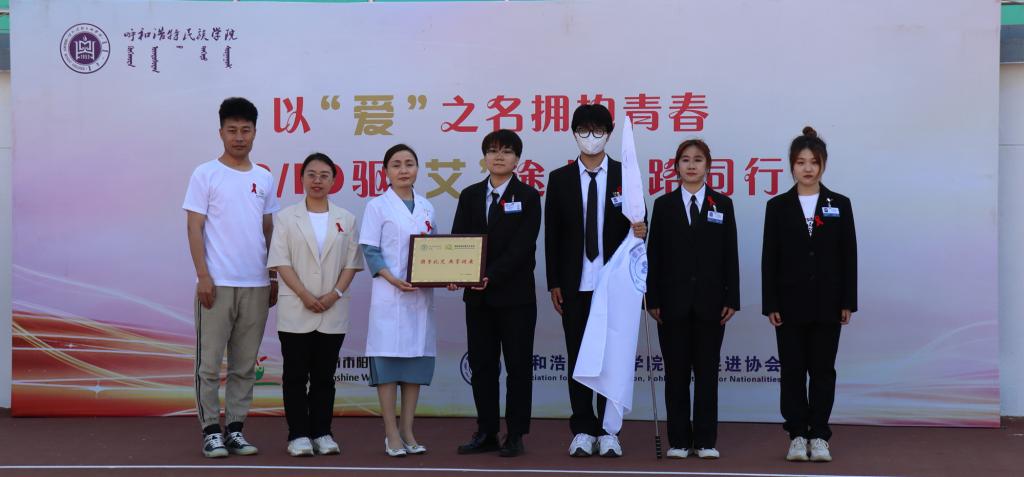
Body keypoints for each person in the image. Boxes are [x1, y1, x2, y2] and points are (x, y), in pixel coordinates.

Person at [544, 104, 646, 457]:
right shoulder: (559, 179)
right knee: (579, 357)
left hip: (613, 285)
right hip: (575, 284)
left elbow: (639, 226)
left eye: (598, 130)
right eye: (584, 130)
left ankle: (609, 430)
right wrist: (554, 282)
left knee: (610, 357)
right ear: (574, 134)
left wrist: (641, 230)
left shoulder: (624, 174)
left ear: (609, 133)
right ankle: (583, 429)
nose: (591, 137)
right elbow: (552, 235)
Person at [183, 97, 280, 458]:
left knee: (244, 365)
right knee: (209, 364)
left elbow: (269, 231)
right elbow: (194, 228)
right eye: (232, 130)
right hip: (218, 283)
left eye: (246, 130)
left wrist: (273, 277)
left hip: (256, 285)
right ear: (221, 132)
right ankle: (211, 430)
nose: (239, 137)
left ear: (255, 132)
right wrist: (203, 275)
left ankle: (236, 428)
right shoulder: (205, 173)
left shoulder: (263, 178)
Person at [761, 126, 857, 463]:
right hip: (788, 305)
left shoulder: (839, 204)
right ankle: (797, 435)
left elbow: (849, 256)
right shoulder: (777, 206)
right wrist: (771, 303)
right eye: (801, 162)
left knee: (822, 371)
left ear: (823, 165)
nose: (807, 168)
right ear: (791, 165)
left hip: (828, 304)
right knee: (792, 371)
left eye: (814, 162)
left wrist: (847, 301)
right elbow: (769, 258)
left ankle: (819, 435)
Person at [450, 130, 541, 458]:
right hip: (478, 299)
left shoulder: (528, 196)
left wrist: (490, 275)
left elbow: (523, 247)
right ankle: (486, 431)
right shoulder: (470, 195)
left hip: (515, 298)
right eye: (492, 151)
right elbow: (460, 240)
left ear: (518, 159)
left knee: (518, 368)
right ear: (484, 157)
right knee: (483, 366)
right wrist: (454, 273)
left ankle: (515, 434)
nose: (498, 157)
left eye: (506, 151)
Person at [646, 139, 739, 460]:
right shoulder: (663, 205)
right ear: (676, 167)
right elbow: (654, 255)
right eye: (685, 160)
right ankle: (679, 440)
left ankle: (706, 440)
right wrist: (653, 298)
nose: (691, 165)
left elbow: (730, 254)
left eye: (698, 160)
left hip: (711, 304)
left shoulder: (722, 204)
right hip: (671, 304)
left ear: (708, 166)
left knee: (707, 374)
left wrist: (732, 298)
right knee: (676, 375)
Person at [267, 153, 364, 456]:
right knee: (295, 376)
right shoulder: (286, 217)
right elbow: (280, 261)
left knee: (324, 377)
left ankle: (322, 432)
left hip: (333, 308)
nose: (317, 181)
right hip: (296, 307)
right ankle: (298, 435)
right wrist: (305, 295)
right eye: (311, 174)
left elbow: (352, 263)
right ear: (302, 179)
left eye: (324, 175)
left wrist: (334, 294)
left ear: (334, 180)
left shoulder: (346, 219)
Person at [358, 144, 437, 457]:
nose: (403, 170)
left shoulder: (427, 207)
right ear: (386, 172)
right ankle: (391, 433)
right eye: (396, 164)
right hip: (390, 296)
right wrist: (392, 279)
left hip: (420, 298)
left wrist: (446, 275)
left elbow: (436, 252)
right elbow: (370, 250)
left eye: (409, 163)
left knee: (414, 368)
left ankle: (408, 430)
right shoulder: (377, 206)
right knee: (389, 369)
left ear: (417, 168)